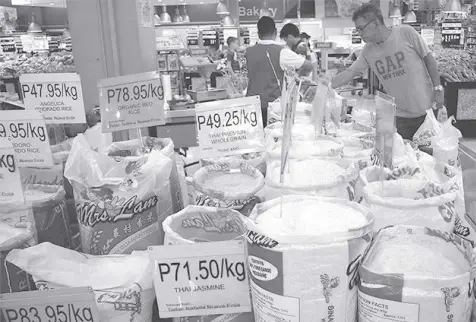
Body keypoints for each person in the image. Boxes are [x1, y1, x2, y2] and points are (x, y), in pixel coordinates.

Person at [330, 3, 447, 140]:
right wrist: (326, 85)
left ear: (375, 24)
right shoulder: (368, 51)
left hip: (428, 111)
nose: (359, 33)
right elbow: (350, 72)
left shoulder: (406, 33)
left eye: (361, 29)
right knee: (404, 157)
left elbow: (429, 59)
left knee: (430, 156)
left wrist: (438, 89)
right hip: (400, 116)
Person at [246, 16, 313, 127]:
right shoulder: (282, 52)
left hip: (251, 105)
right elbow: (309, 65)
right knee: (272, 139)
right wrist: (295, 75)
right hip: (273, 107)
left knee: (256, 140)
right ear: (275, 32)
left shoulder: (247, 52)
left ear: (258, 34)